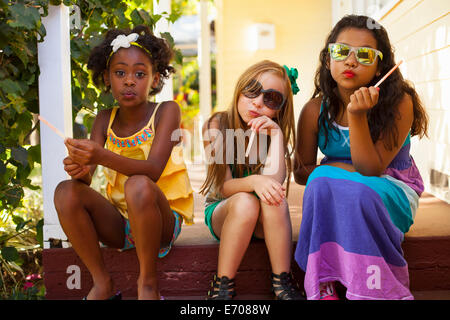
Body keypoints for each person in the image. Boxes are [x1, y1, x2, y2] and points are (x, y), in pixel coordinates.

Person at [53, 25, 194, 300]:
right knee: (65, 191)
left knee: (138, 185)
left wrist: (100, 155)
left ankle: (148, 285)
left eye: (140, 74)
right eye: (120, 73)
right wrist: (79, 168)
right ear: (107, 78)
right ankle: (102, 283)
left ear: (155, 80)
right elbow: (87, 177)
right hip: (120, 224)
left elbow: (153, 171)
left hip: (161, 221)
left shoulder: (166, 111)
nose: (129, 81)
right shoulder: (104, 119)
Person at [293, 15, 428, 300]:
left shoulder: (399, 102)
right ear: (328, 59)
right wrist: (335, 171)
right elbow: (302, 173)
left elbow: (369, 169)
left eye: (365, 54)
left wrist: (357, 115)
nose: (351, 61)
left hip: (391, 190)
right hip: (341, 190)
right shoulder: (314, 109)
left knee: (355, 190)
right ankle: (324, 280)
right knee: (320, 181)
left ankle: (372, 290)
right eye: (341, 51)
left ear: (381, 65)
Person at [200, 60, 304, 300]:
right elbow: (224, 188)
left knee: (274, 198)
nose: (257, 102)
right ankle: (222, 285)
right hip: (224, 213)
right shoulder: (217, 125)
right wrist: (255, 181)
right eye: (252, 90)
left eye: (271, 99)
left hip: (263, 220)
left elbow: (274, 185)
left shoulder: (271, 132)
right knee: (247, 202)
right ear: (240, 89)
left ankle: (282, 283)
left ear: (280, 109)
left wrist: (277, 137)